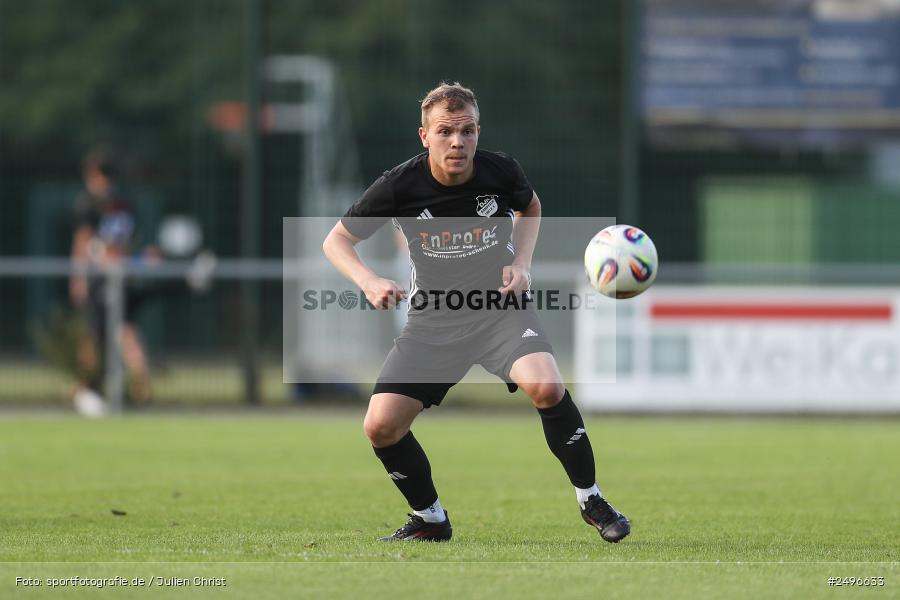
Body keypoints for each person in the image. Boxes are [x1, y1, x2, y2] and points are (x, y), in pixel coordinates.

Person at [322, 83, 630, 543]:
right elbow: (337, 241)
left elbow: (531, 208)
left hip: (499, 312)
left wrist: (522, 264)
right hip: (434, 320)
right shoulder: (399, 185)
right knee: (381, 426)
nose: (457, 142)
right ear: (424, 136)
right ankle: (430, 518)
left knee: (546, 386)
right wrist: (368, 281)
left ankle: (591, 498)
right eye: (445, 131)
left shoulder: (500, 171)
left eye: (466, 131)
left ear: (477, 132)